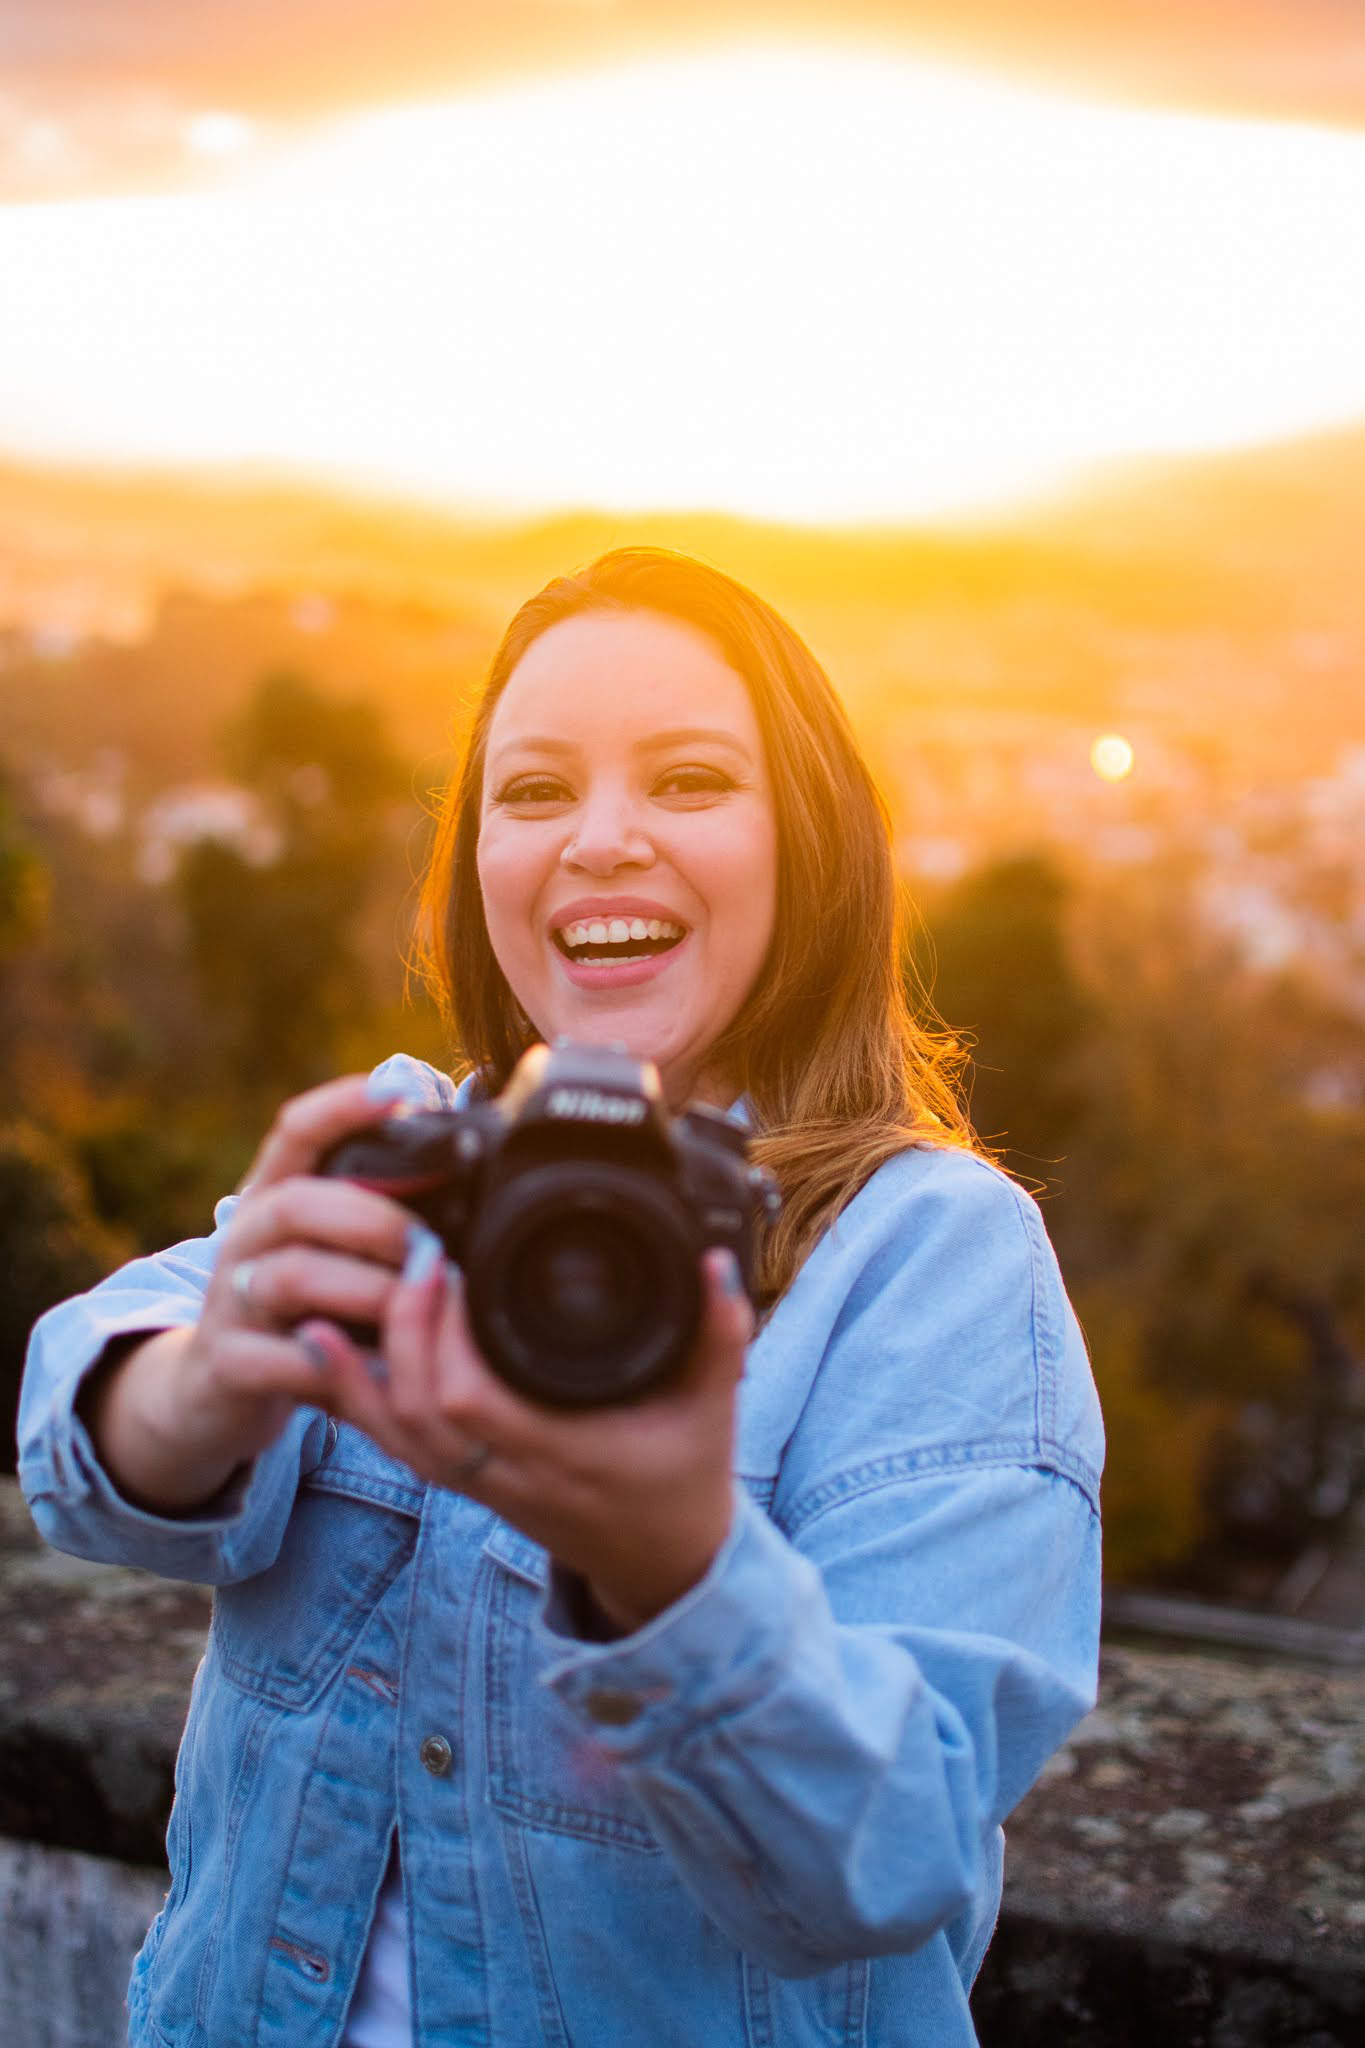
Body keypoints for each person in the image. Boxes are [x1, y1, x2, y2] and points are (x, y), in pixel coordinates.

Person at [18, 547, 1104, 2047]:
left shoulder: (927, 1261)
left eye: (688, 780)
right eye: (532, 792)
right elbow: (81, 1437)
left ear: (808, 842)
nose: (601, 840)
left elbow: (886, 1858)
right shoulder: (406, 1150)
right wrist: (204, 1379)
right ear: (477, 863)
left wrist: (672, 1568)